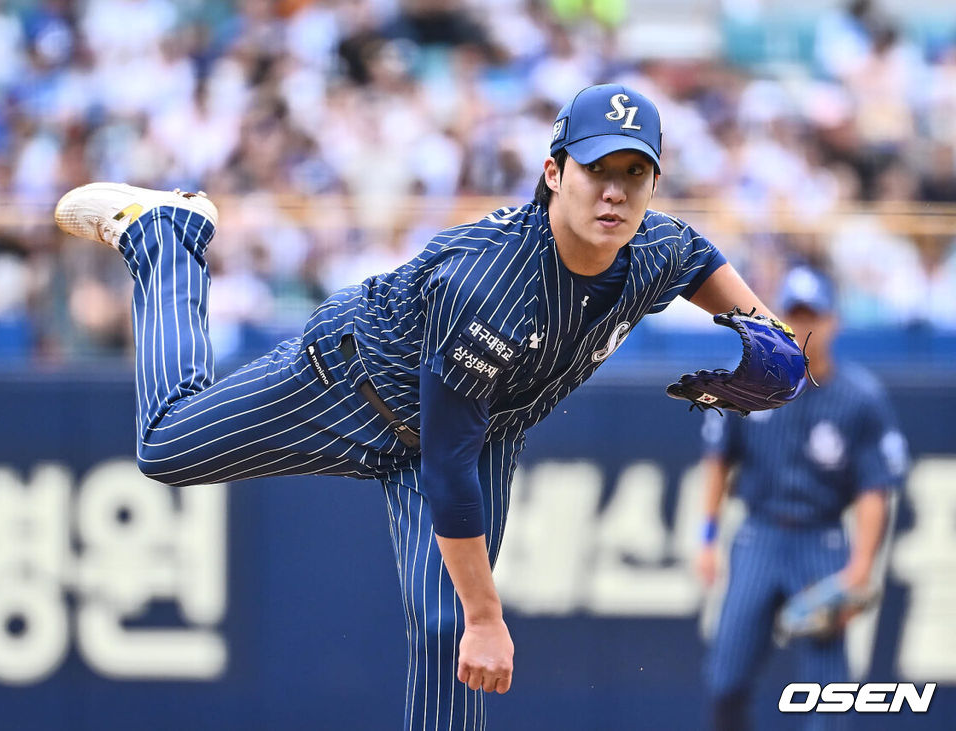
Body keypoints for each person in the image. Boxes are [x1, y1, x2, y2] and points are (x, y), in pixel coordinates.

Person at [55, 83, 806, 729]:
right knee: (164, 446)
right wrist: (488, 614)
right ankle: (165, 238)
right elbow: (446, 467)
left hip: (481, 427)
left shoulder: (650, 248)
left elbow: (697, 253)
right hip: (352, 382)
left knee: (446, 627)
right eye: (596, 169)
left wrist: (765, 328)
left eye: (634, 175)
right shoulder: (492, 290)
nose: (614, 192)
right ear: (553, 171)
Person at [695, 266, 908, 730]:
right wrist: (707, 536)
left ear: (834, 321)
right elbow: (717, 460)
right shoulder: (751, 381)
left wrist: (859, 569)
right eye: (794, 315)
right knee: (724, 680)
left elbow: (876, 488)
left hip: (821, 542)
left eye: (814, 315)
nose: (805, 326)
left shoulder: (860, 398)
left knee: (829, 696)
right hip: (759, 538)